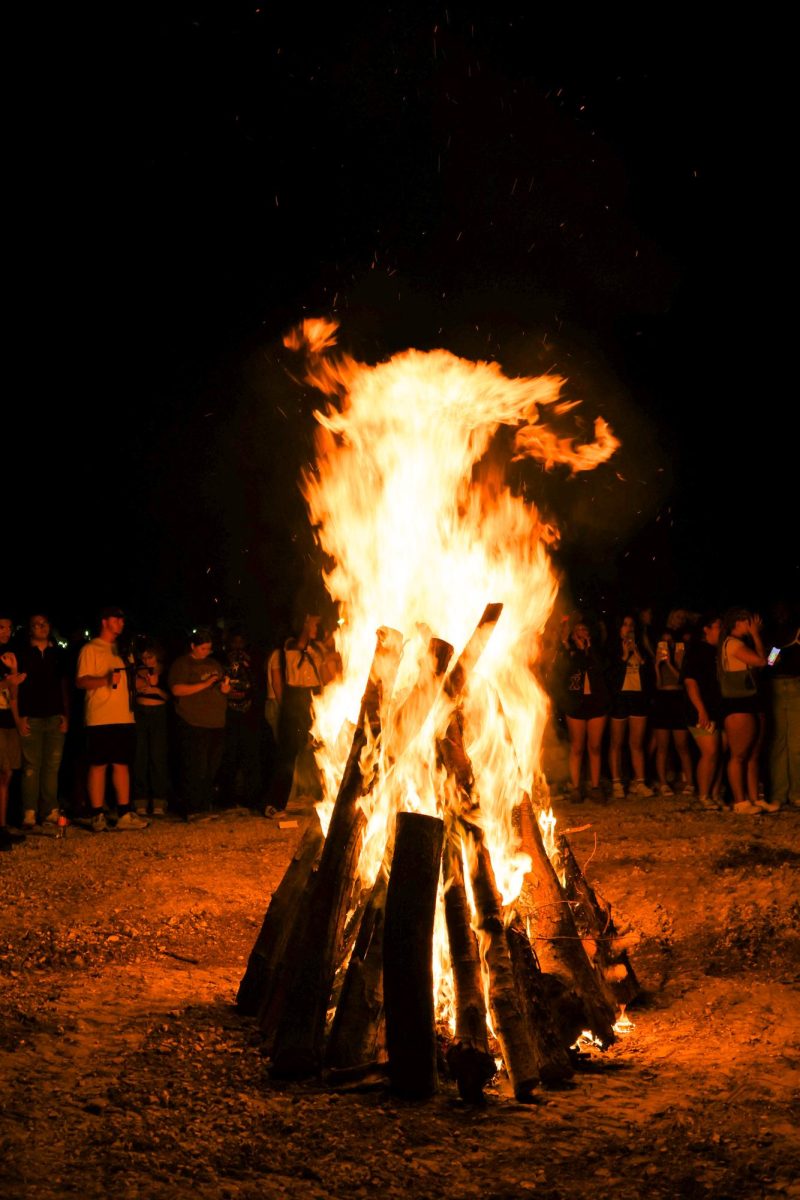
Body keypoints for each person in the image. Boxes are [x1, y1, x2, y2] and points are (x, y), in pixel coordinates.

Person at [75, 607, 148, 831]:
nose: (121, 623)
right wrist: (105, 679)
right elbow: (81, 681)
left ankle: (124, 813)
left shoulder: (123, 651)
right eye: (117, 619)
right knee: (98, 765)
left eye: (122, 619)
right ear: (105, 621)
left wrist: (143, 683)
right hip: (100, 716)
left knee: (122, 763)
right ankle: (97, 813)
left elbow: (130, 682)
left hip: (124, 716)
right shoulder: (91, 649)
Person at [266, 612, 332, 815]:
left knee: (323, 750)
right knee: (288, 753)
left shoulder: (317, 648)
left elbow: (325, 675)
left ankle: (327, 799)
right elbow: (299, 647)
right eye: (312, 624)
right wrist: (307, 623)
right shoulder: (288, 647)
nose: (315, 628)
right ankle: (274, 804)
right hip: (295, 699)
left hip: (316, 698)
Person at [168, 627, 230, 817]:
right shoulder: (182, 664)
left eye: (209, 649)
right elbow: (177, 690)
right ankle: (192, 808)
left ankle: (205, 805)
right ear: (193, 646)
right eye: (202, 648)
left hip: (216, 723)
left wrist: (225, 687)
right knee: (196, 766)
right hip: (193, 722)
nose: (206, 652)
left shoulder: (214, 664)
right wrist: (205, 684)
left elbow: (222, 690)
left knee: (212, 767)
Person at [718, 607, 775, 814]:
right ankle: (740, 801)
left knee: (752, 754)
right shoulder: (733, 644)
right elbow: (763, 662)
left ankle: (754, 798)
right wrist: (757, 635)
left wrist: (777, 647)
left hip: (751, 701)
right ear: (737, 622)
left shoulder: (745, 643)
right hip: (738, 704)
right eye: (748, 622)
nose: (752, 625)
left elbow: (769, 662)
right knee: (739, 755)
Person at [16, 613, 70, 828]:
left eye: (45, 623)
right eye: (37, 624)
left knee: (52, 766)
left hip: (54, 716)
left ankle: (50, 809)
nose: (42, 627)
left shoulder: (57, 653)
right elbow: (17, 686)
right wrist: (19, 715)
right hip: (31, 716)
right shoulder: (22, 653)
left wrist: (65, 714)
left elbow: (63, 685)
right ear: (30, 629)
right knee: (31, 766)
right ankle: (29, 811)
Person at [552, 618, 610, 803]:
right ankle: (576, 787)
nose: (582, 632)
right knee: (577, 747)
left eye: (584, 628)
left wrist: (589, 648)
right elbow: (565, 671)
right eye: (578, 629)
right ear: (572, 634)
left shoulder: (596, 650)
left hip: (596, 703)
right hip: (576, 704)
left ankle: (595, 787)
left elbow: (601, 668)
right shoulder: (567, 652)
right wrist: (574, 647)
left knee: (595, 747)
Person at [606, 613, 654, 799]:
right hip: (620, 699)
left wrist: (639, 655)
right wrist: (624, 656)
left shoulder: (641, 646)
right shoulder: (611, 648)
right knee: (616, 743)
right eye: (625, 625)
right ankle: (617, 783)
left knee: (637, 743)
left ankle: (639, 783)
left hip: (638, 698)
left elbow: (649, 672)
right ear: (619, 628)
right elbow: (609, 676)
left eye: (631, 624)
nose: (629, 628)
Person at [681, 612, 725, 810]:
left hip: (725, 708)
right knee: (710, 751)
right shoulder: (697, 650)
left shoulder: (725, 649)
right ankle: (704, 794)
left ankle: (716, 794)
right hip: (703, 708)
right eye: (718, 626)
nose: (722, 630)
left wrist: (775, 650)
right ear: (706, 629)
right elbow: (690, 682)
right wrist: (701, 710)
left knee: (722, 752)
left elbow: (764, 663)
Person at [218, 629, 261, 807]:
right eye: (234, 642)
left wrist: (248, 664)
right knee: (230, 755)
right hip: (229, 712)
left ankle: (248, 796)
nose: (237, 646)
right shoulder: (221, 660)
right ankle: (227, 797)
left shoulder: (249, 660)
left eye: (240, 642)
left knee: (248, 754)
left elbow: (255, 681)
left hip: (248, 711)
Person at [650, 627, 695, 798]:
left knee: (682, 745)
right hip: (663, 700)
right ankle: (663, 783)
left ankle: (690, 782)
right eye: (664, 641)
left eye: (670, 641)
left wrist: (670, 664)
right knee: (662, 746)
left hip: (678, 699)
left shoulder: (680, 654)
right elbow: (659, 685)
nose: (667, 645)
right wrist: (657, 665)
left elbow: (682, 680)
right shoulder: (658, 657)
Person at [765, 601, 800, 810]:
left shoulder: (779, 635)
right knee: (782, 743)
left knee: (791, 744)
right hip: (782, 685)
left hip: (789, 684)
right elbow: (769, 663)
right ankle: (783, 793)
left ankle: (789, 793)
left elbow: (769, 663)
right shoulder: (776, 635)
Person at [133, 641, 170, 817]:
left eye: (150, 656)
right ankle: (140, 799)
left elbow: (169, 696)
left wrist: (155, 687)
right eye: (144, 657)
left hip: (158, 714)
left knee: (158, 756)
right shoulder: (137, 670)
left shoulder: (165, 671)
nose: (147, 660)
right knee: (140, 756)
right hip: (140, 714)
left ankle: (159, 800)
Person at [0, 614, 26, 850]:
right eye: (1, 627)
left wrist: (15, 675)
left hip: (7, 719)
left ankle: (3, 826)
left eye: (9, 627)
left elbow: (14, 696)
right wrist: (7, 682)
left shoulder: (9, 657)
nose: (6, 631)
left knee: (7, 774)